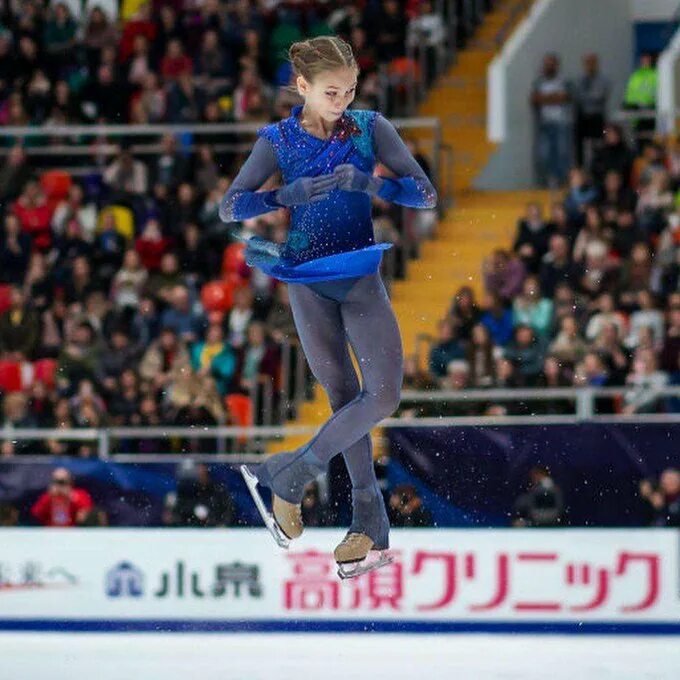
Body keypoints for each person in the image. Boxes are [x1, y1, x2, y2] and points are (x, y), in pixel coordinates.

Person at [221, 36, 436, 578]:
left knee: (382, 395)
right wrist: (281, 198)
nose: (342, 100)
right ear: (303, 88)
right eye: (331, 91)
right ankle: (370, 526)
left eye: (350, 90)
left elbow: (425, 193)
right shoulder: (278, 140)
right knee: (344, 398)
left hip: (359, 276)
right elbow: (231, 206)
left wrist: (371, 182)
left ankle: (292, 473)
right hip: (307, 279)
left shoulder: (370, 128)